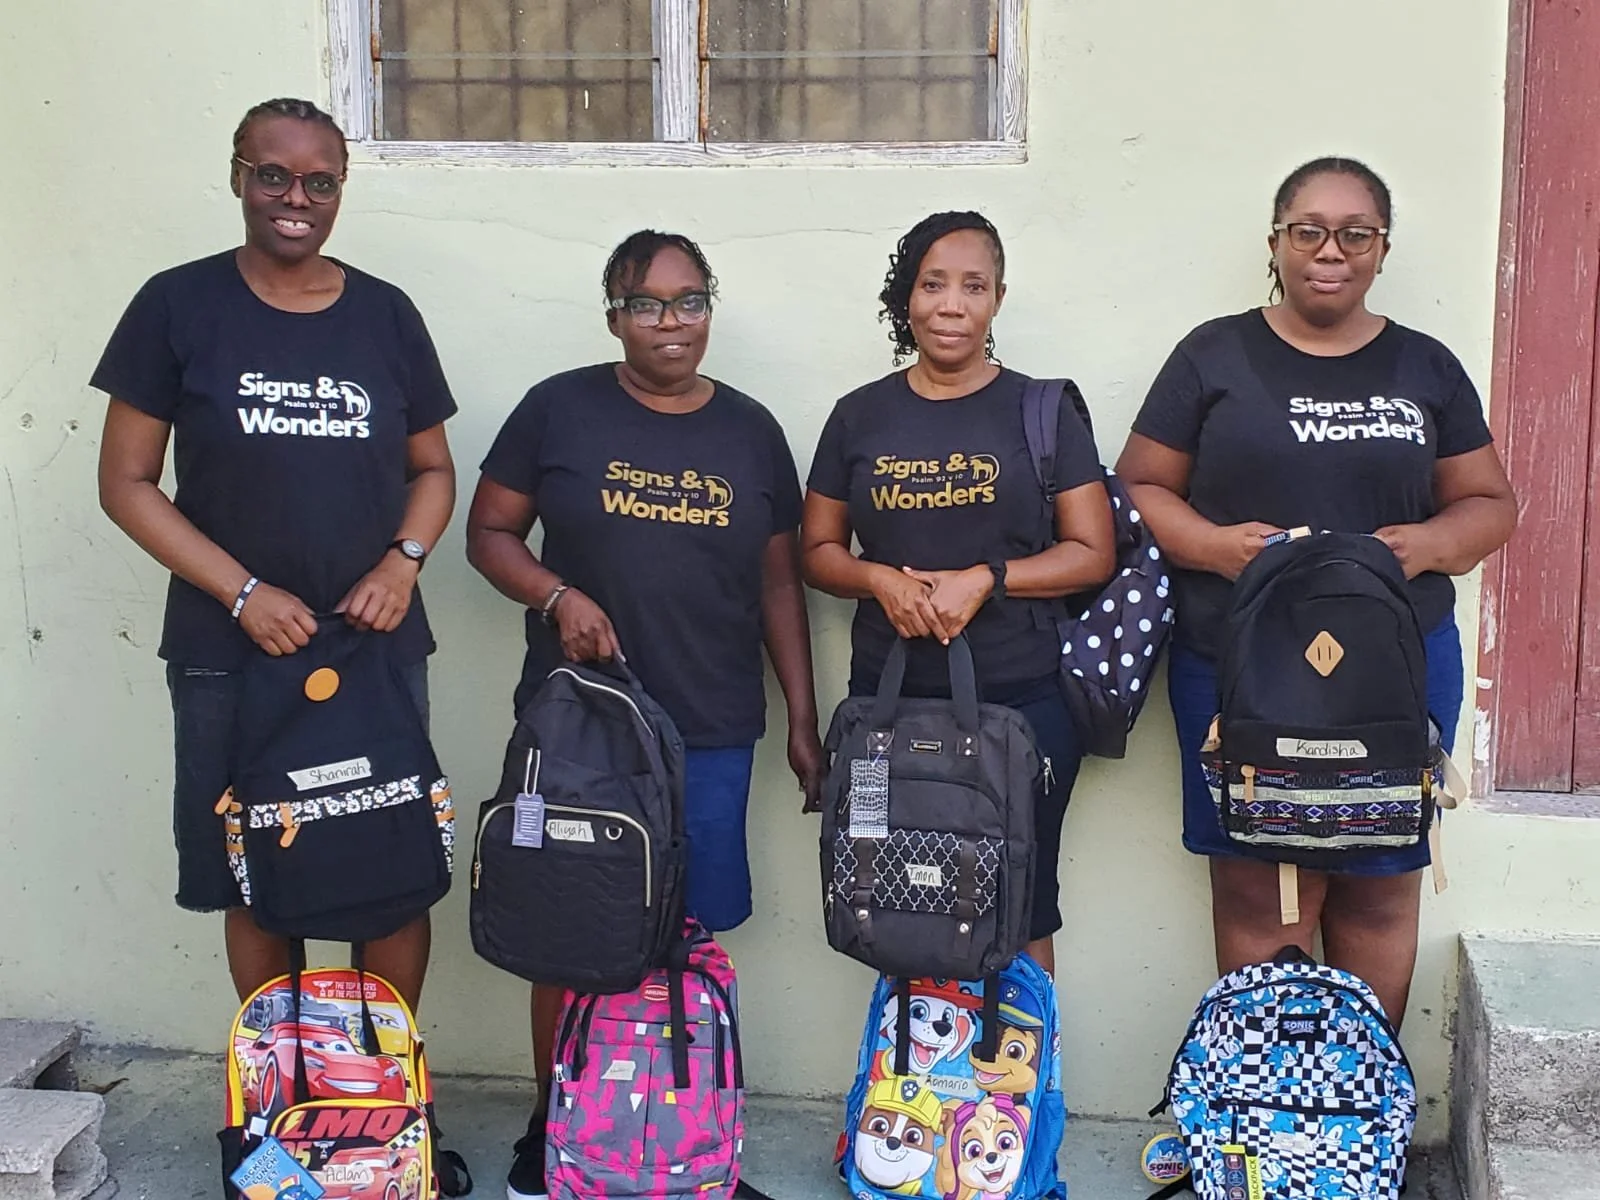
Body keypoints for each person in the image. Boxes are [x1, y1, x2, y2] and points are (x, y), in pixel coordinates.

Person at [465, 229, 825, 1200]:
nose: (672, 322)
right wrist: (556, 597)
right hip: (579, 728)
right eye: (648, 304)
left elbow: (780, 585)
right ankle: (555, 1137)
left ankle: (677, 1144)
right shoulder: (558, 409)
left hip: (710, 724)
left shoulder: (750, 430)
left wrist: (802, 717)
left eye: (690, 300)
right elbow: (488, 533)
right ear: (614, 315)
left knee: (685, 939)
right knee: (569, 927)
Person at [1115, 156, 1516, 1026]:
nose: (1330, 251)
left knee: (1379, 883)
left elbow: (1491, 505)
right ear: (1276, 243)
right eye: (1309, 231)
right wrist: (1215, 547)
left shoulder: (1426, 366)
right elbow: (1139, 486)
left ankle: (1361, 1093)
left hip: (1395, 670)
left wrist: (1424, 546)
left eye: (1355, 234)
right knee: (1260, 888)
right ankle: (1268, 1096)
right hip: (1239, 665)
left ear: (1381, 250)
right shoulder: (1213, 355)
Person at [93, 98, 459, 1012]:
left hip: (372, 650)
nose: (297, 198)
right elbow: (126, 483)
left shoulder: (386, 315)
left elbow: (433, 469)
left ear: (341, 190)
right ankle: (278, 1080)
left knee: (390, 864)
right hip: (229, 652)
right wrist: (241, 592)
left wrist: (403, 562)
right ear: (238, 178)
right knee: (251, 866)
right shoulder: (177, 305)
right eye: (274, 176)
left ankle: (379, 1083)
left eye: (320, 182)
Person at [801, 210, 1117, 977]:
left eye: (974, 287)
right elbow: (816, 551)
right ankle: (915, 1058)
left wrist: (989, 579)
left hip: (1020, 705)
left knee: (1020, 902)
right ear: (906, 298)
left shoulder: (1041, 411)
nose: (952, 305)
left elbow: (1092, 552)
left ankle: (1017, 1056)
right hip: (885, 710)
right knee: (888, 894)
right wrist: (877, 579)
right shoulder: (859, 416)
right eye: (933, 285)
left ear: (998, 299)